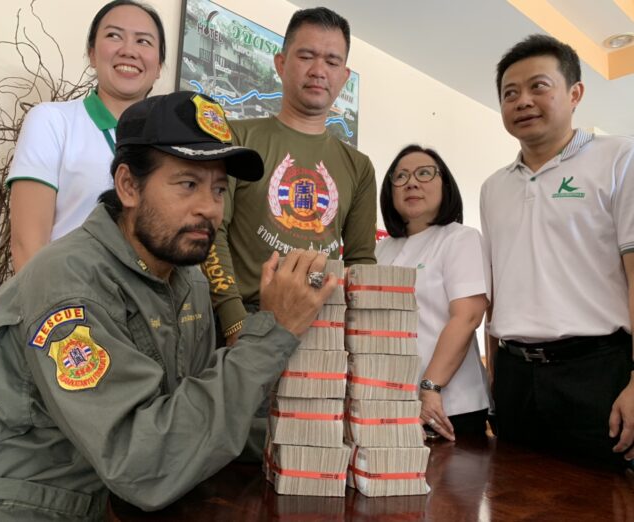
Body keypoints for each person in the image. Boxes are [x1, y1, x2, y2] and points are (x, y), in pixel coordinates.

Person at [0, 91, 339, 521]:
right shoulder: (70, 282)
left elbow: (195, 414)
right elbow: (145, 466)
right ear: (129, 186)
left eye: (219, 188)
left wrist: (330, 434)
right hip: (7, 497)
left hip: (101, 495)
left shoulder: (187, 278)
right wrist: (273, 329)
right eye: (188, 184)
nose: (210, 208)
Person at [481, 34, 634, 470]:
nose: (523, 101)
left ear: (575, 93)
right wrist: (495, 376)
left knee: (603, 501)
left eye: (538, 87)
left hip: (597, 372)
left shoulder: (619, 158)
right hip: (515, 378)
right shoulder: (494, 187)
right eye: (510, 93)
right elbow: (496, 292)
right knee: (514, 495)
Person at [204, 7, 377, 346]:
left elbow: (360, 263)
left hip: (321, 332)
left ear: (344, 76)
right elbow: (211, 229)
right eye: (306, 56)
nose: (318, 71)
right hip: (239, 325)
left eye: (331, 61)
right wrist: (234, 322)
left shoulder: (359, 166)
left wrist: (357, 339)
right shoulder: (234, 137)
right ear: (281, 64)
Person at [7, 0, 165, 272]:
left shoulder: (169, 142)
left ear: (159, 64)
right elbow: (27, 248)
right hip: (70, 303)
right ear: (92, 54)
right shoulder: (52, 122)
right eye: (114, 36)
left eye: (143, 41)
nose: (128, 50)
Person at [376, 145, 491, 441]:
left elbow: (467, 317)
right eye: (400, 177)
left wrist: (430, 387)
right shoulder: (381, 249)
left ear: (445, 185)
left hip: (446, 406)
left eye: (424, 173)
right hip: (390, 403)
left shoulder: (460, 239)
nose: (411, 182)